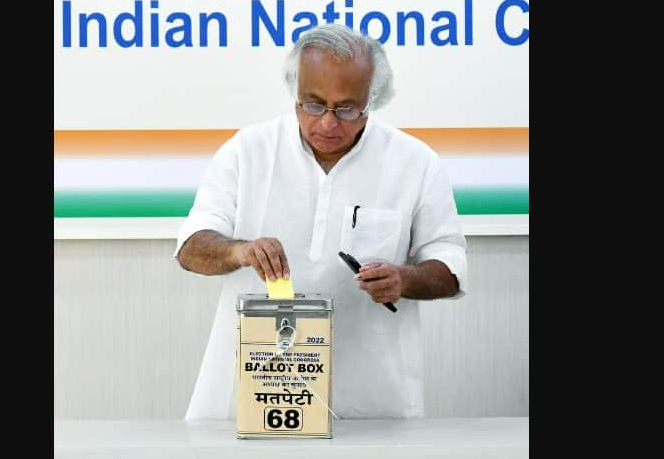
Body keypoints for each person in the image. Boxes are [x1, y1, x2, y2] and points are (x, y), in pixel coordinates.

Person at [174, 23, 467, 419]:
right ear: (294, 92)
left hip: (371, 401)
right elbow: (191, 246)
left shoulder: (414, 162)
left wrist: (405, 279)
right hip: (253, 395)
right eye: (313, 104)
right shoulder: (248, 150)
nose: (328, 123)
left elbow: (450, 267)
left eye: (347, 109)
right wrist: (239, 250)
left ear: (373, 99)